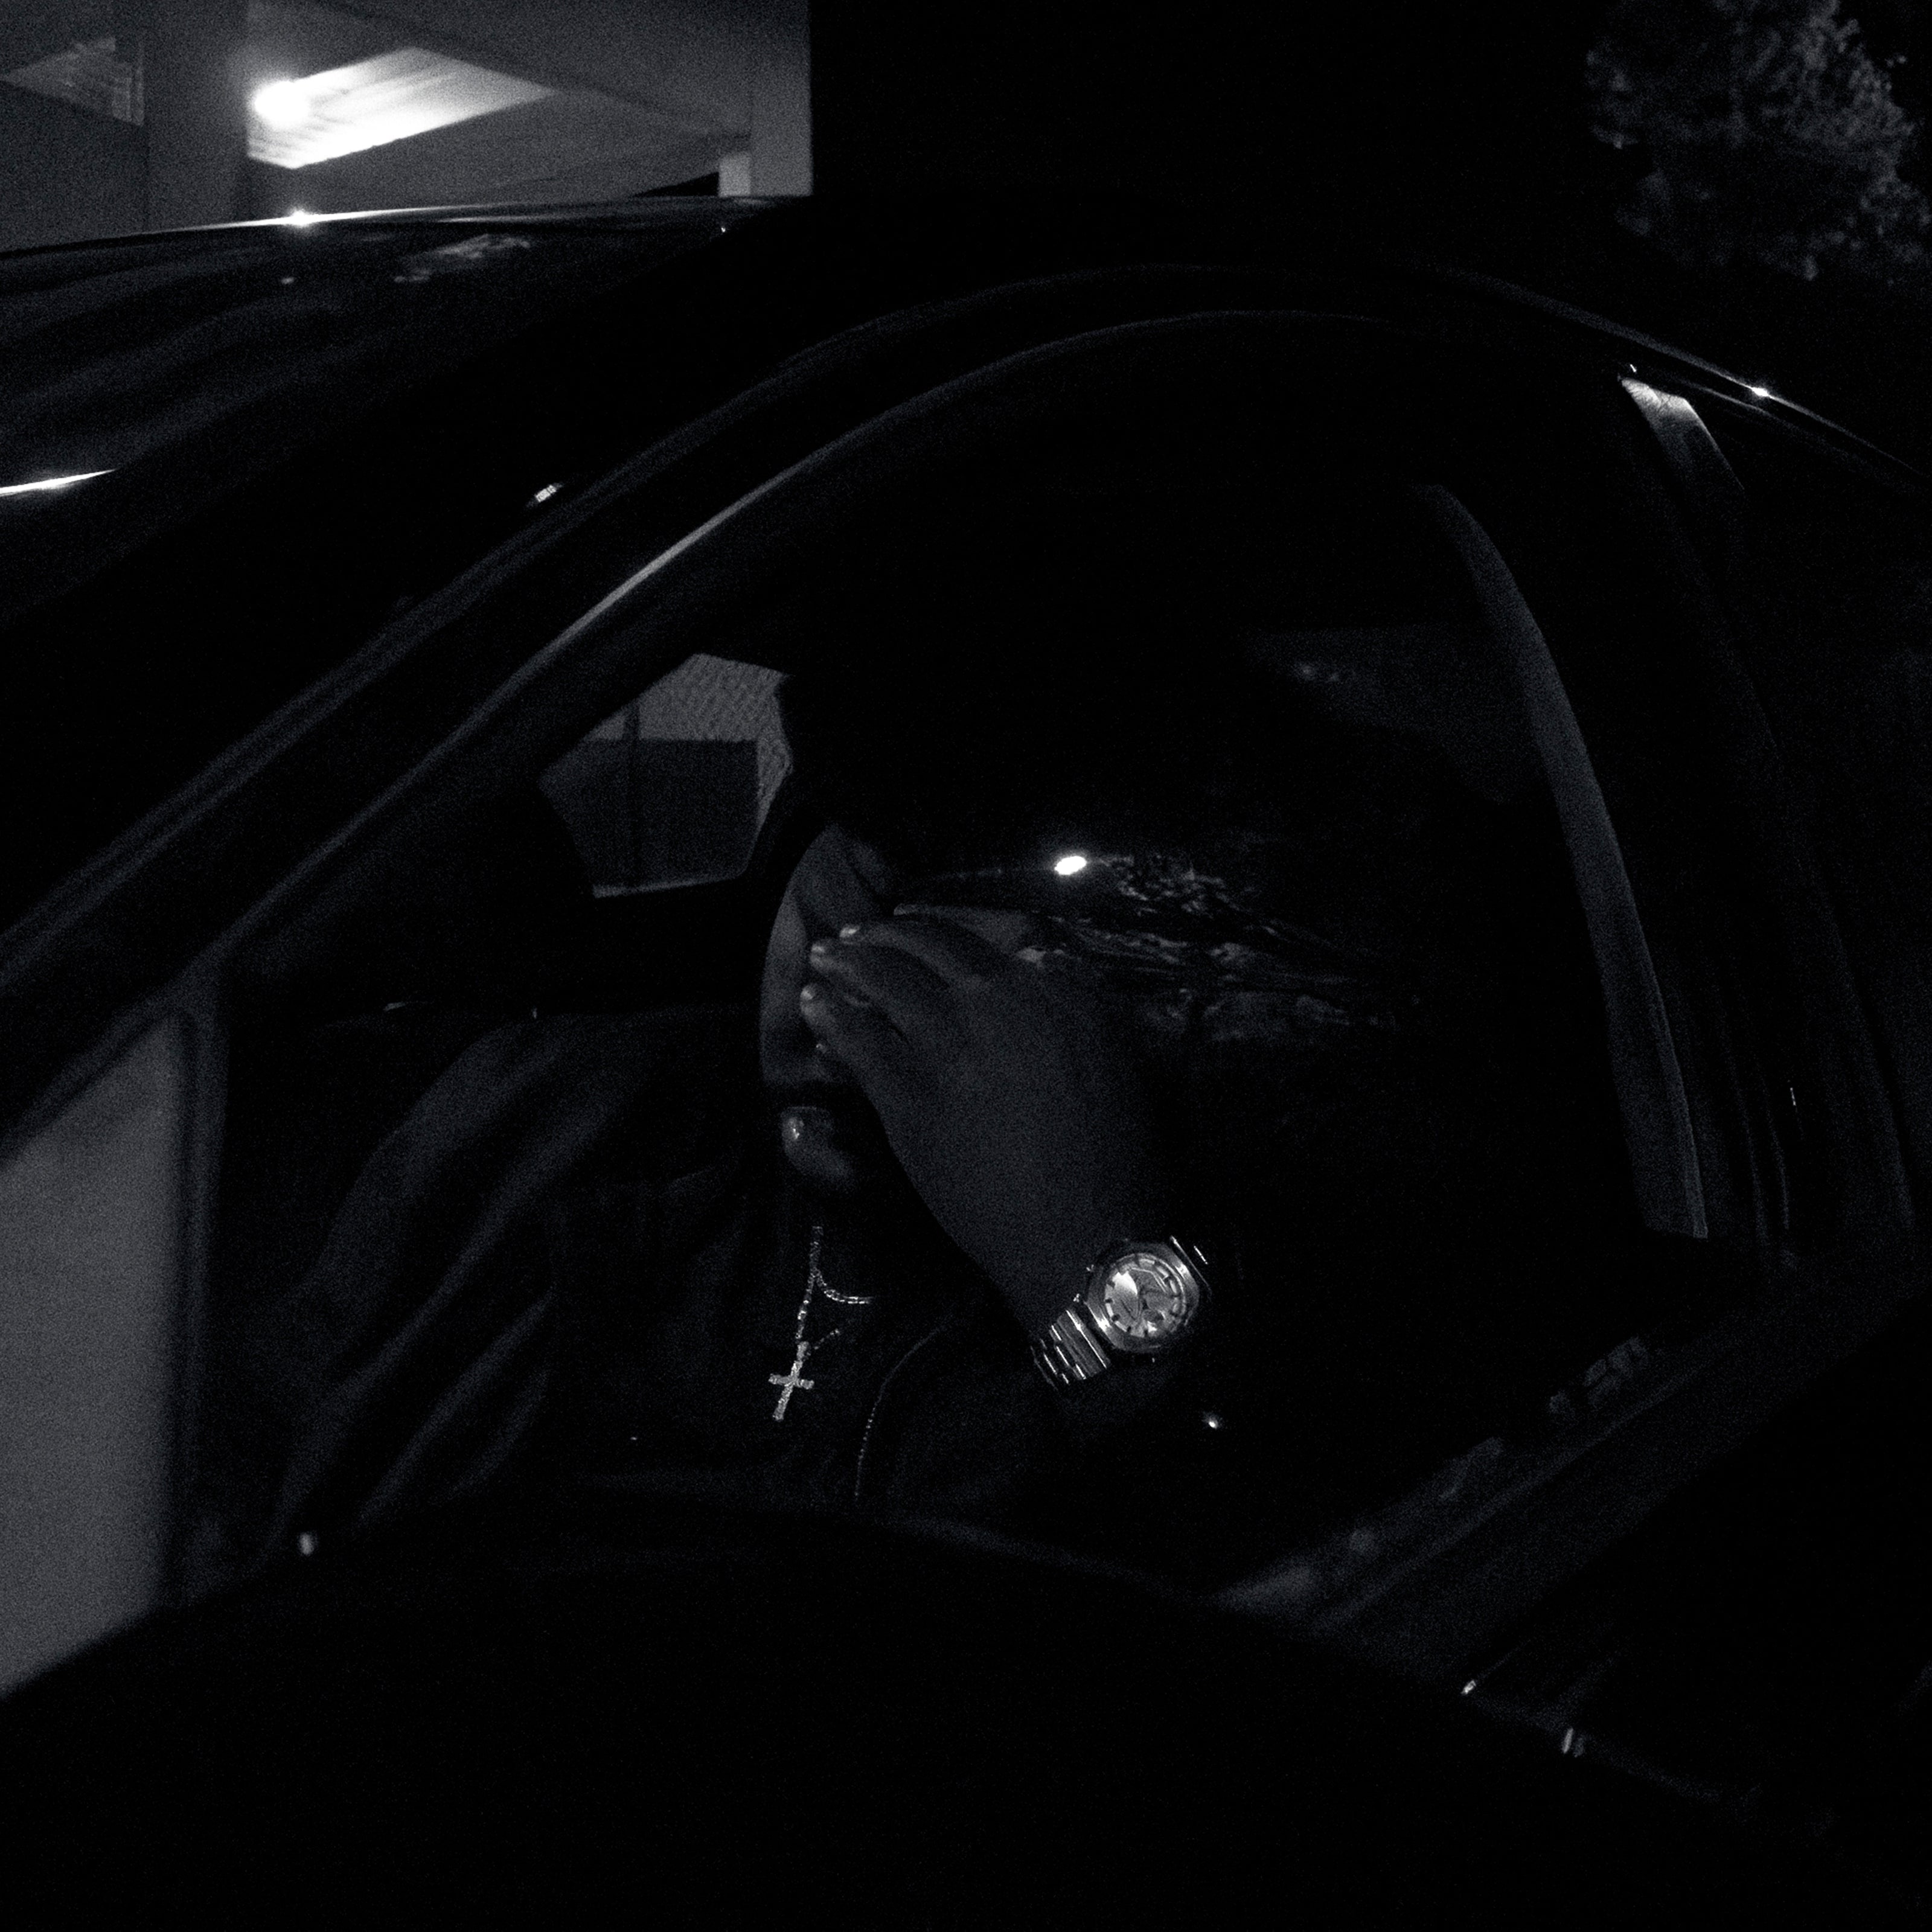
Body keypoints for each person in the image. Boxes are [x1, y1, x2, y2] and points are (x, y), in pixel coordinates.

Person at [203, 499, 1652, 1594]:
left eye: (997, 887)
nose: (862, 954)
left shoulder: (1333, 1229)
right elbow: (211, 1518)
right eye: (865, 838)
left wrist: (1093, 1271)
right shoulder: (550, 1122)